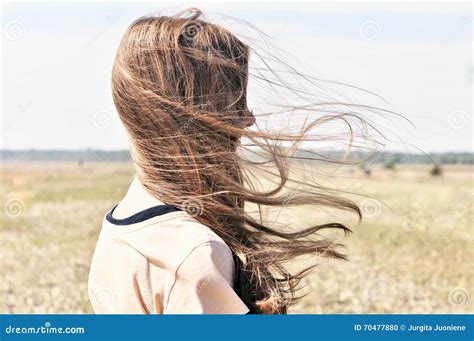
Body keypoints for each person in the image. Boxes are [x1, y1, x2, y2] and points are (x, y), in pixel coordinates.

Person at [88, 8, 362, 314]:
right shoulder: (194, 255)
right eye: (235, 101)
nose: (249, 118)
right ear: (197, 115)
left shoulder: (118, 227)